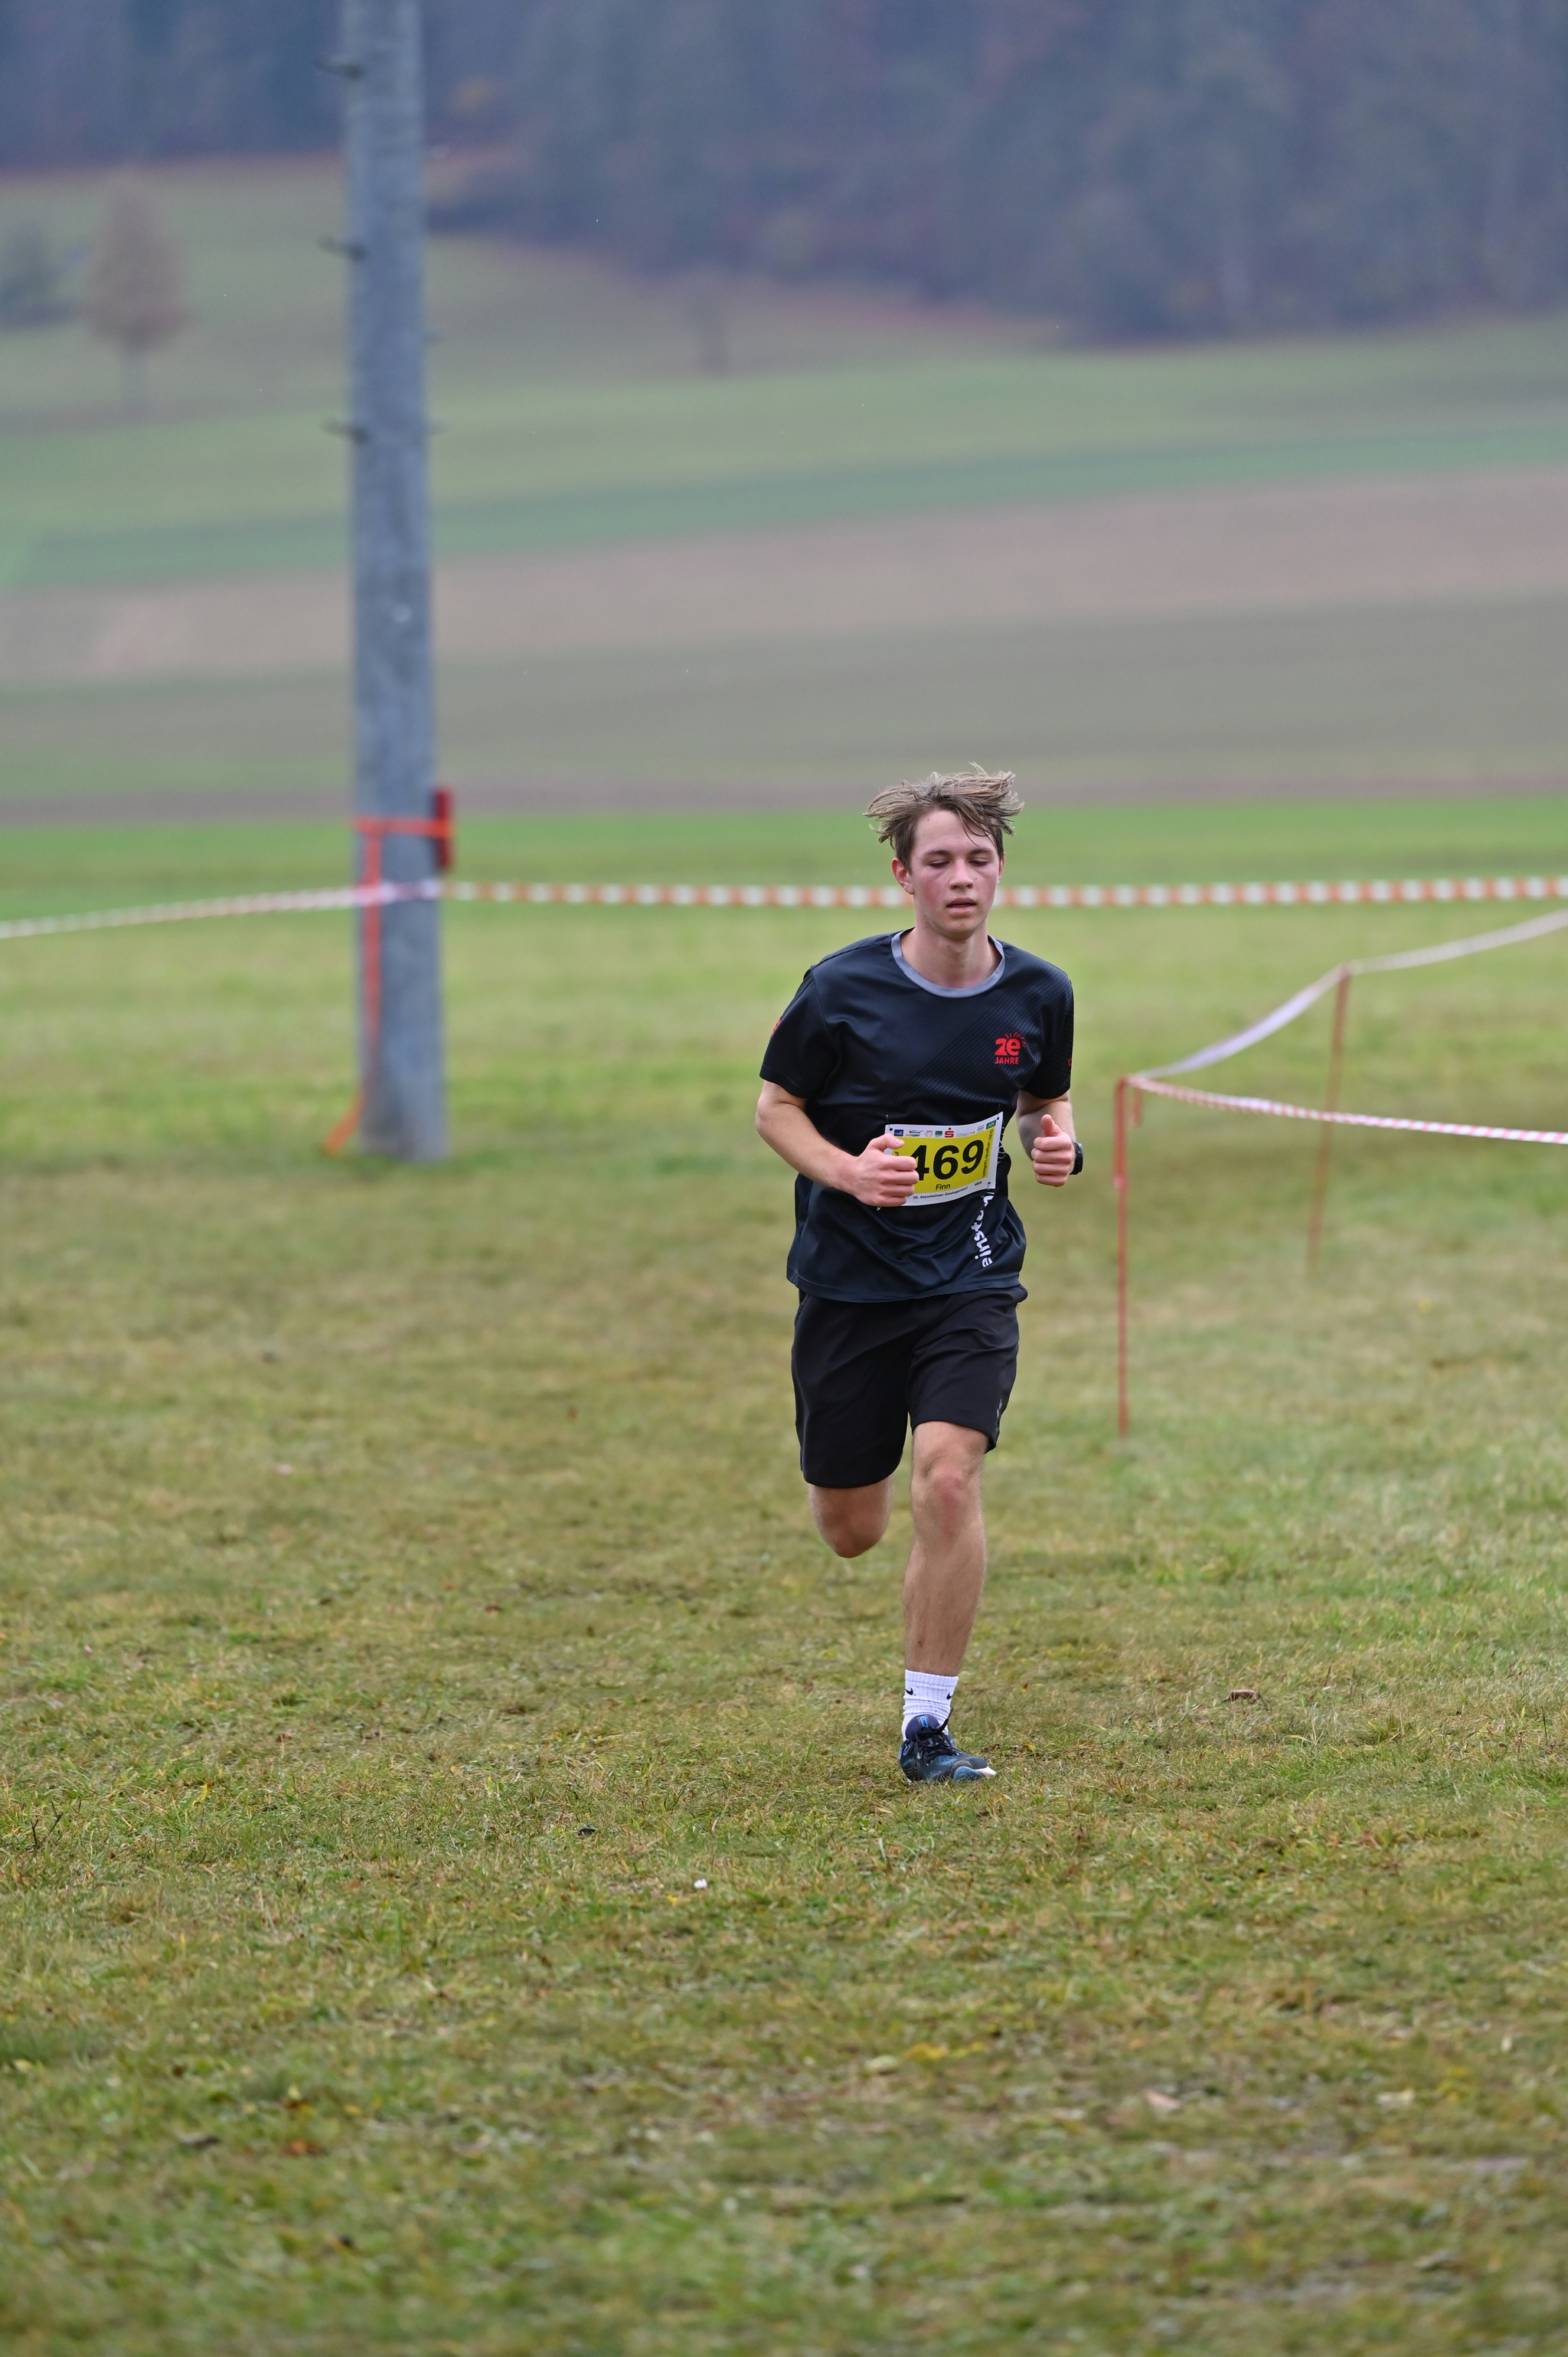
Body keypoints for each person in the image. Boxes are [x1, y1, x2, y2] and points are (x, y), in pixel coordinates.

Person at [755, 770, 1079, 1783]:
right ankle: (860, 1488)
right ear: (905, 876)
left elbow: (1043, 1099)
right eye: (939, 860)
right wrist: (849, 1171)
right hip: (850, 1282)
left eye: (979, 858)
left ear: (1000, 870)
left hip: (969, 1273)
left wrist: (1056, 1140)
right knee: (853, 1529)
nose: (962, 877)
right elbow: (775, 1108)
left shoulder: (1040, 993)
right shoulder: (839, 990)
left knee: (947, 1475)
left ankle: (926, 1726)